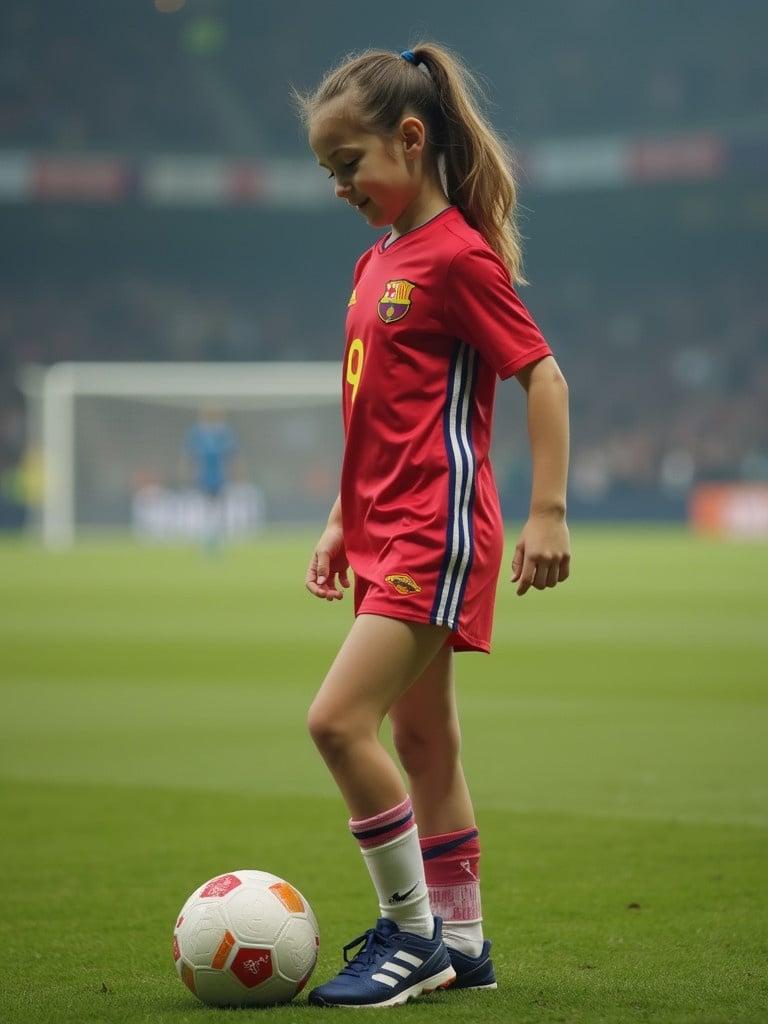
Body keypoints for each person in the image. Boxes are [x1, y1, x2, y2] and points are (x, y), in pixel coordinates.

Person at [295, 42, 571, 1008]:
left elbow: (541, 373)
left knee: (335, 722)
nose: (340, 187)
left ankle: (410, 935)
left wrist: (547, 510)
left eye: (350, 165)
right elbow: (377, 411)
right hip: (384, 529)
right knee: (424, 744)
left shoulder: (455, 257)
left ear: (410, 140)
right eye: (329, 172)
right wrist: (340, 517)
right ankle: (462, 939)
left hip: (435, 531)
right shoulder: (378, 261)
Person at [182, 405, 239, 553]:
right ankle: (206, 541)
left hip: (220, 478)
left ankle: (218, 541)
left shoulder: (224, 433)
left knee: (219, 511)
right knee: (205, 510)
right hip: (203, 478)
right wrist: (187, 473)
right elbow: (190, 456)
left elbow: (232, 457)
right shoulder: (197, 433)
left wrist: (234, 474)